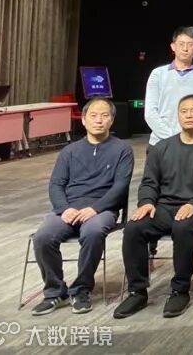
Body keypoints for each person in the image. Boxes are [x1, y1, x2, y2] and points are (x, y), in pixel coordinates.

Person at [114, 94, 193, 319]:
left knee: (183, 227)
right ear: (178, 115)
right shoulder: (162, 147)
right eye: (184, 111)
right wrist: (147, 202)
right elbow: (149, 182)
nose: (189, 115)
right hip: (164, 207)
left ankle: (180, 290)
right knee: (134, 228)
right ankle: (137, 291)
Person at [30, 98, 134, 316]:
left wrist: (95, 209)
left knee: (93, 232)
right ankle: (54, 291)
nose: (99, 120)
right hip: (69, 208)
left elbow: (121, 186)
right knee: (43, 237)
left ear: (112, 120)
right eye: (93, 116)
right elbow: (56, 184)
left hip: (102, 209)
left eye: (104, 116)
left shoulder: (122, 150)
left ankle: (81, 289)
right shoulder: (70, 151)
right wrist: (64, 208)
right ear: (84, 120)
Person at [143, 26, 193, 146]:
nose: (185, 49)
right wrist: (172, 137)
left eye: (190, 44)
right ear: (173, 46)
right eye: (181, 44)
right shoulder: (158, 74)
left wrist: (188, 136)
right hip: (160, 142)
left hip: (192, 142)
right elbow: (150, 112)